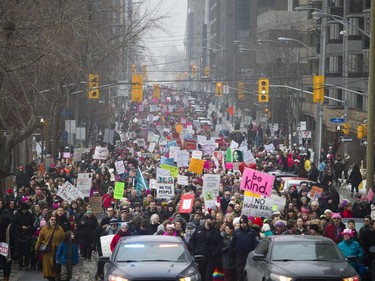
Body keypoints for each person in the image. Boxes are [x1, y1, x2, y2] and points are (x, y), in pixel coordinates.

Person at [189, 214, 223, 281]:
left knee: (209, 274)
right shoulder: (198, 229)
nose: (213, 221)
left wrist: (215, 252)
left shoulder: (216, 231)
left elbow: (220, 243)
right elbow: (192, 241)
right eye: (211, 220)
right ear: (207, 220)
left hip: (210, 257)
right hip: (199, 255)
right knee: (200, 273)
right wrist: (194, 250)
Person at [35, 215, 65, 281]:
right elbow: (39, 239)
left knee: (57, 267)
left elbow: (64, 239)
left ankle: (57, 277)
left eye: (54, 219)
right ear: (49, 220)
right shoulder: (44, 229)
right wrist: (36, 248)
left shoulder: (60, 229)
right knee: (48, 269)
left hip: (57, 251)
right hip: (48, 251)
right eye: (52, 219)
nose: (53, 221)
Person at [230, 215, 258, 281]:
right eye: (241, 223)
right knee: (239, 273)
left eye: (244, 223)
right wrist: (232, 255)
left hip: (249, 256)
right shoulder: (236, 232)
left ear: (247, 223)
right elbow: (232, 244)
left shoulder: (252, 232)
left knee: (249, 273)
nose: (243, 224)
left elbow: (256, 245)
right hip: (239, 256)